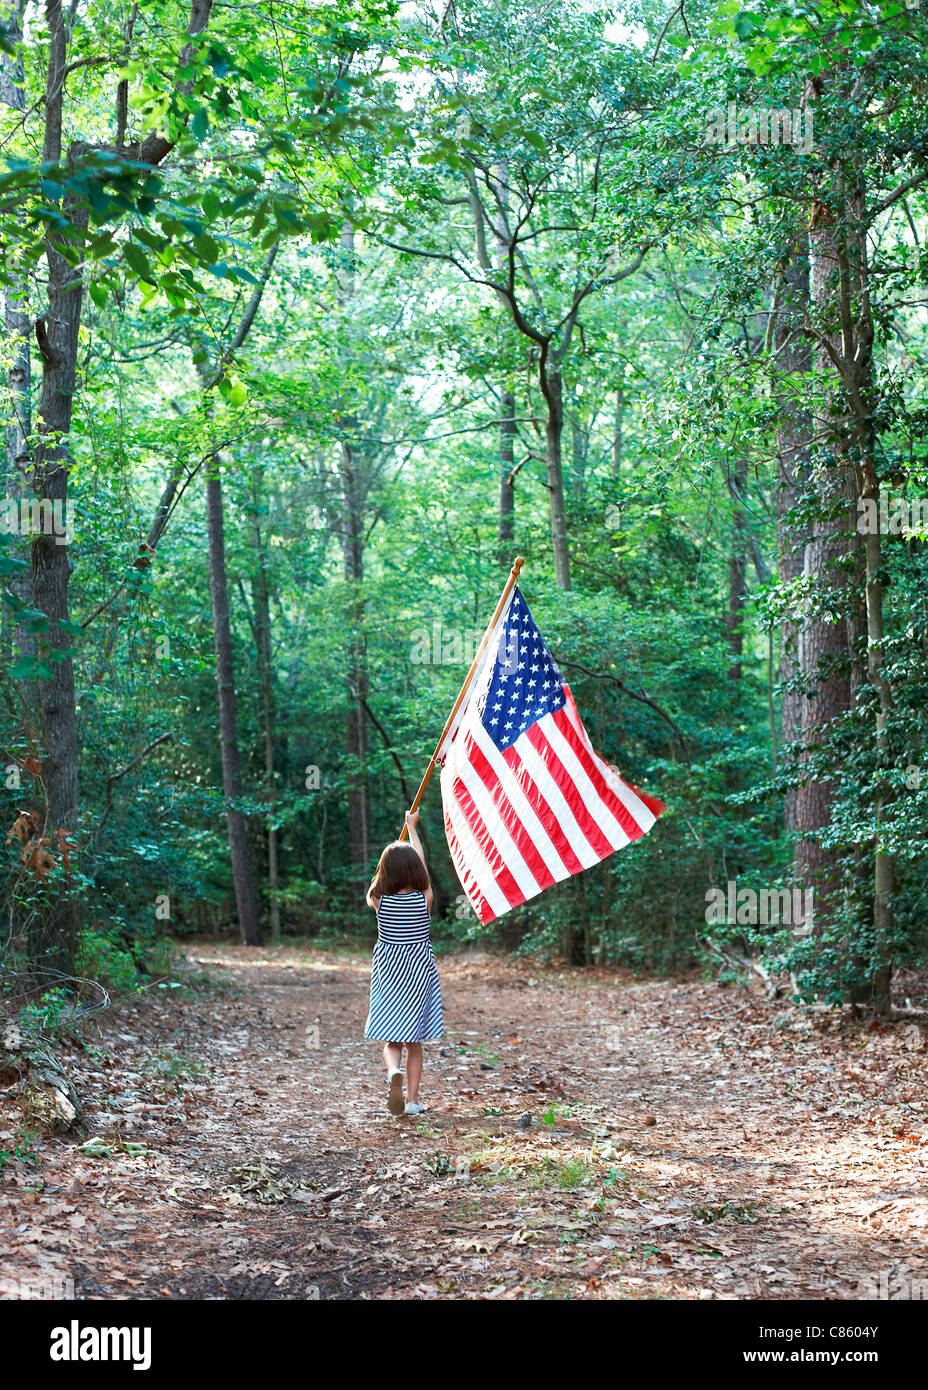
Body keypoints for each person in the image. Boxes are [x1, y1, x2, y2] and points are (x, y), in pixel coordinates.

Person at [363, 809, 443, 1116]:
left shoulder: (378, 899)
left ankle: (391, 1071)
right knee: (415, 1042)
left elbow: (375, 884)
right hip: (418, 976)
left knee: (391, 1040)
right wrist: (413, 830)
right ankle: (411, 1101)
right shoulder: (424, 898)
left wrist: (386, 863)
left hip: (389, 975)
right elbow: (420, 863)